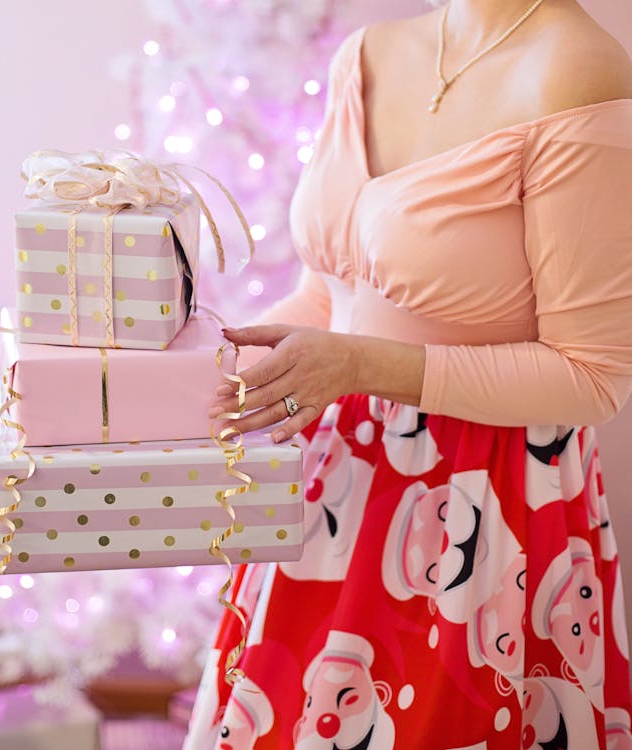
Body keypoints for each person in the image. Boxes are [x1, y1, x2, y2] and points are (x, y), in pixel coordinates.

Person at [185, 0, 632, 747]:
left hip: (479, 513)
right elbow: (333, 290)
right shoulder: (366, 53)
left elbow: (593, 376)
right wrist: (216, 355)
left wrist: (359, 364)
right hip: (333, 493)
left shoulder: (577, 70)